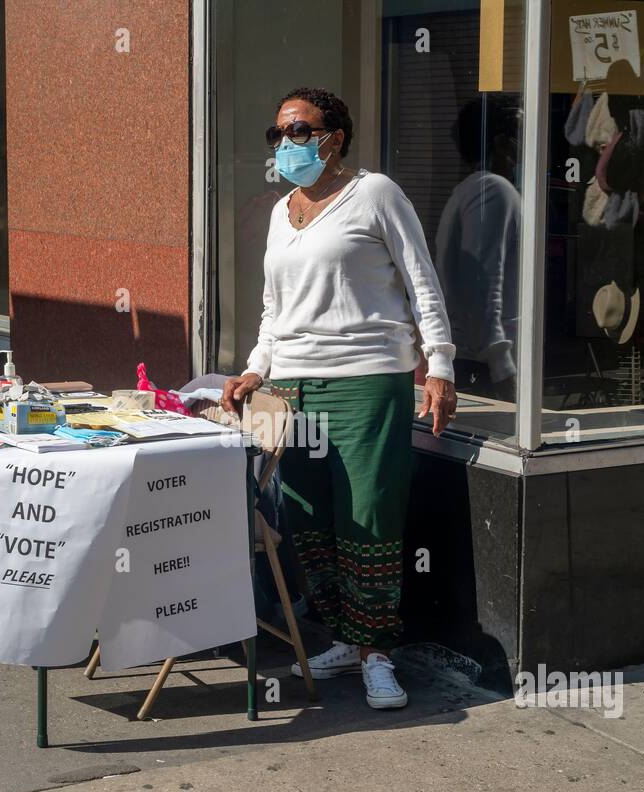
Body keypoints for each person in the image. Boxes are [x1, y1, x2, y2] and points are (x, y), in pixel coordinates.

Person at [222, 87, 457, 711]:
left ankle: (378, 652)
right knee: (307, 519)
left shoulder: (375, 194)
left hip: (366, 379)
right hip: (290, 386)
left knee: (368, 518)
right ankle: (345, 640)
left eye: (299, 130)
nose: (286, 144)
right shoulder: (282, 211)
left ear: (337, 136)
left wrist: (440, 366)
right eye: (277, 135)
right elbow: (276, 310)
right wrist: (253, 370)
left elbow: (421, 279)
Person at [435, 99, 521, 401]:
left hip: (475, 358)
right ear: (499, 143)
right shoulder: (494, 191)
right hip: (485, 364)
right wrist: (502, 367)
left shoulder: (472, 190)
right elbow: (481, 284)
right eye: (516, 139)